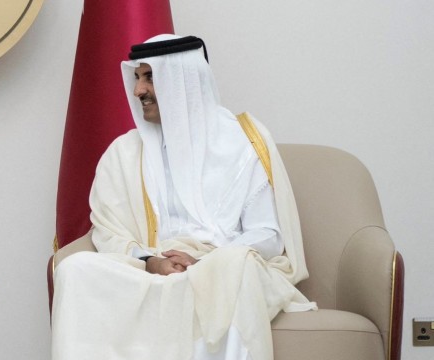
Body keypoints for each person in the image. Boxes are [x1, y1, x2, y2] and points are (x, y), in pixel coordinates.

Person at [51, 34, 315, 360]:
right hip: (152, 269)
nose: (138, 91)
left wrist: (206, 262)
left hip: (223, 266)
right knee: (74, 269)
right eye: (136, 77)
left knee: (234, 267)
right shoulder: (124, 153)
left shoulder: (244, 140)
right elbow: (109, 232)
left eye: (149, 76)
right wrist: (154, 263)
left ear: (182, 79)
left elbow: (268, 236)